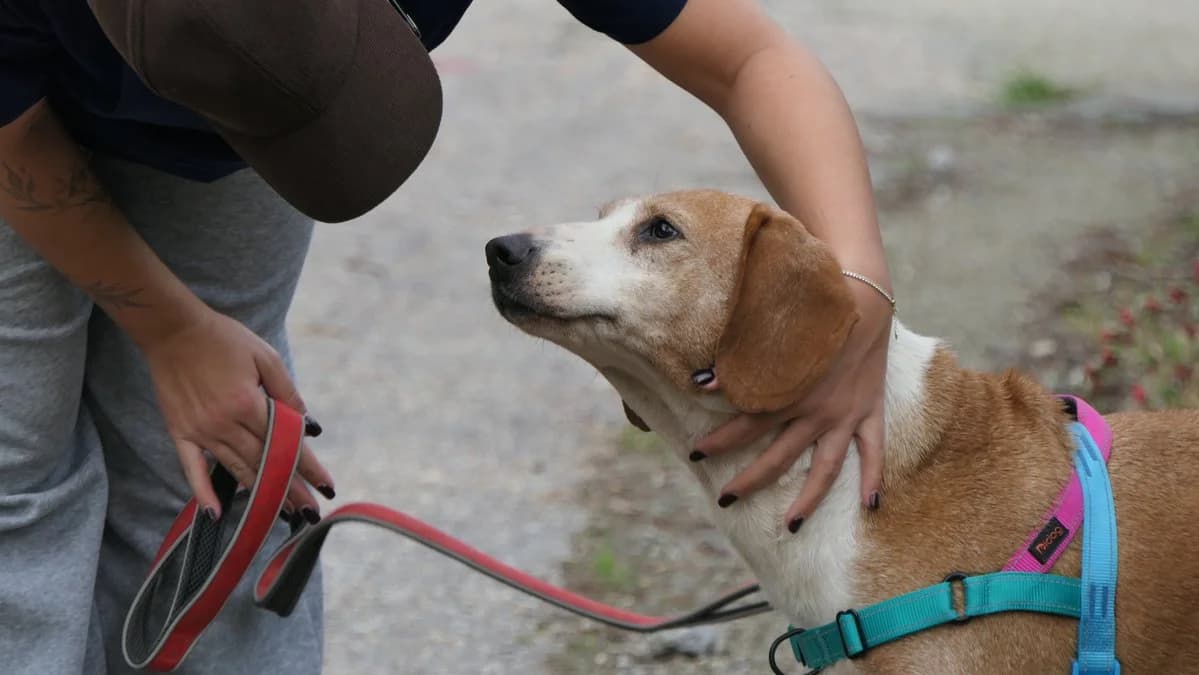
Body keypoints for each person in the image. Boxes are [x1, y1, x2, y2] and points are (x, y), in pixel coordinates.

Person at [0, 0, 894, 672]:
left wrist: (863, 299)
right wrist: (170, 333)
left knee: (212, 475)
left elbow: (749, 57)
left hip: (232, 116)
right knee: (19, 479)